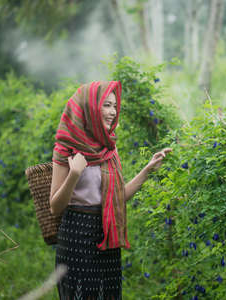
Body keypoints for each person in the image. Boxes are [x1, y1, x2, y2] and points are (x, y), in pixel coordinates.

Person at [49, 81, 171, 299]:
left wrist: (147, 170)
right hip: (76, 234)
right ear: (90, 108)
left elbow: (117, 198)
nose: (113, 112)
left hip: (105, 237)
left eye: (115, 106)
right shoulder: (66, 148)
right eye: (106, 105)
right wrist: (74, 174)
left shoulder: (109, 149)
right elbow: (55, 207)